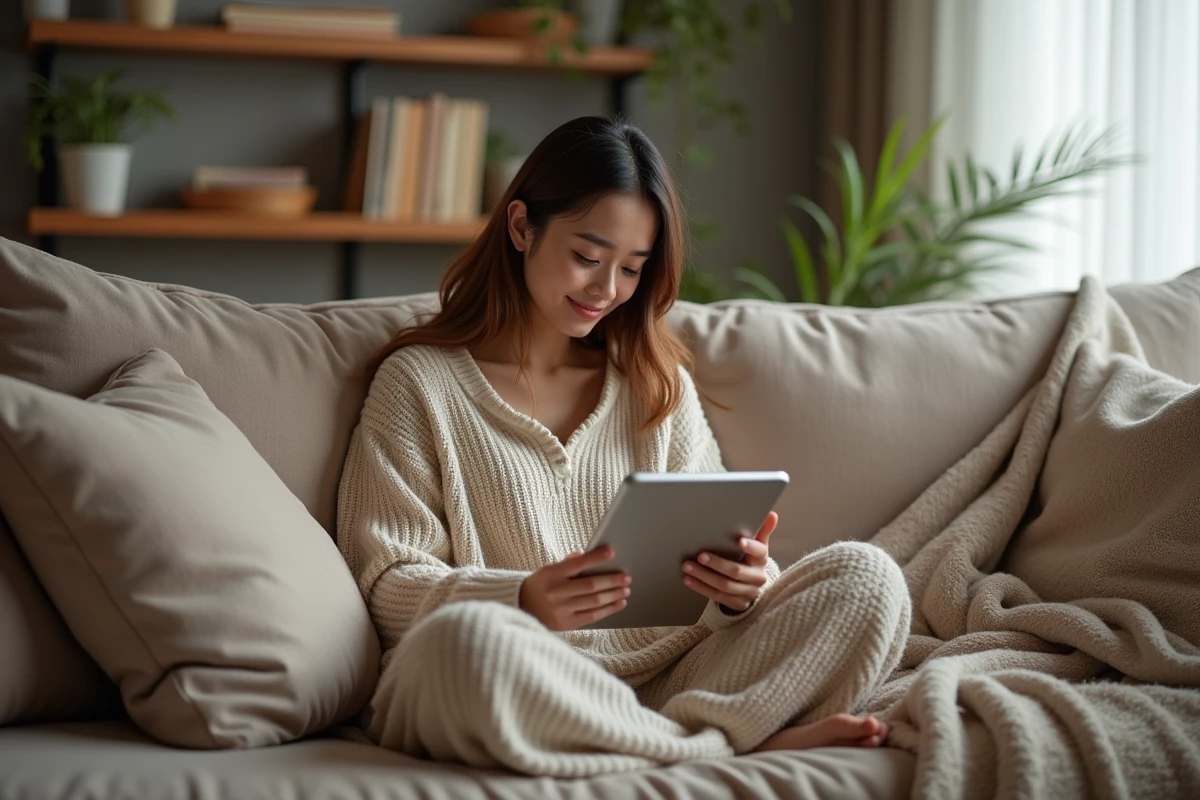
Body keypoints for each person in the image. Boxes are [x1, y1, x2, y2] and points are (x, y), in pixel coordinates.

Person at [336, 115, 912, 777]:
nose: (606, 290)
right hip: (516, 671)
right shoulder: (419, 385)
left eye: (632, 269)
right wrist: (521, 601)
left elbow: (715, 559)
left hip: (667, 676)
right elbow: (387, 585)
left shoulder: (654, 385)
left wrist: (744, 590)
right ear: (522, 227)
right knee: (466, 646)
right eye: (587, 256)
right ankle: (728, 748)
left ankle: (668, 744)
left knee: (870, 581)